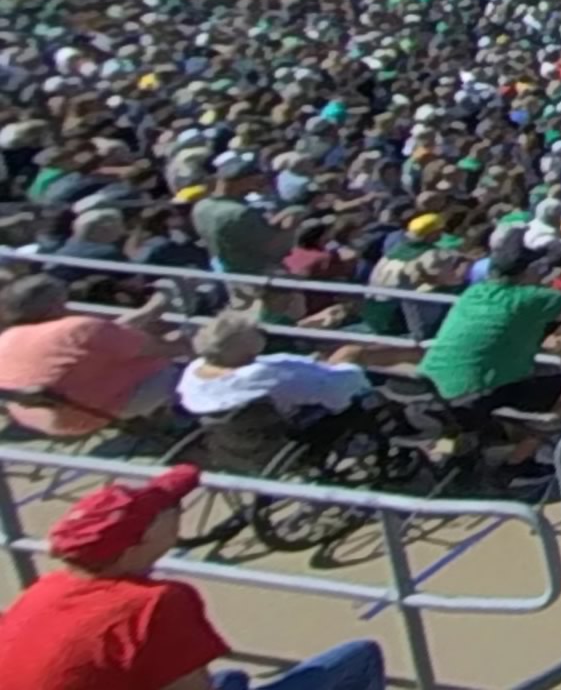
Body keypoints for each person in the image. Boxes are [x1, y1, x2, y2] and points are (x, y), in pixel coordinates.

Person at [0, 463, 387, 690]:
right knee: (359, 658)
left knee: (232, 678)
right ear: (140, 542)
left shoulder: (46, 589)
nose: (177, 509)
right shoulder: (153, 602)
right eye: (167, 508)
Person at [412, 240, 561, 427]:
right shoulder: (529, 297)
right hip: (476, 396)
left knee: (542, 369)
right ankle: (541, 433)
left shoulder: (474, 292)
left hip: (433, 386)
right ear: (529, 271)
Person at [0, 275, 185, 437]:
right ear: (57, 302)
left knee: (112, 343)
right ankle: (185, 419)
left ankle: (156, 307)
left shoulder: (6, 339)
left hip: (37, 418)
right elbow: (165, 349)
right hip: (94, 413)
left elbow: (100, 337)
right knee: (180, 361)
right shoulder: (79, 329)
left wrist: (149, 313)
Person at [175, 312, 389, 422]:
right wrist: (344, 369)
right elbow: (334, 390)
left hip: (240, 429)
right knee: (351, 352)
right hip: (303, 417)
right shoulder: (259, 375)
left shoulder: (195, 370)